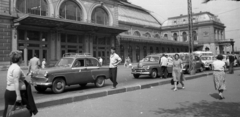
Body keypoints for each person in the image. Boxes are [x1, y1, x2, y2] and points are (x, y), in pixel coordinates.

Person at [3, 50, 38, 117]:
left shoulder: (12, 66)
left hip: (11, 92)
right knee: (25, 110)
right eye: (21, 58)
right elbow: (16, 81)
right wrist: (18, 96)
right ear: (19, 59)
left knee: (10, 112)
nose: (22, 59)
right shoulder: (17, 68)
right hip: (15, 93)